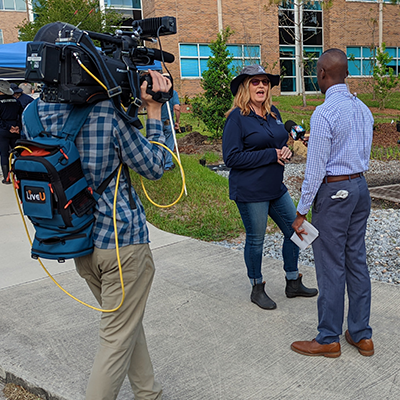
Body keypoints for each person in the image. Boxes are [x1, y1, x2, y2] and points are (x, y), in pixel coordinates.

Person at [22, 22, 171, 400]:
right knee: (115, 338)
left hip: (79, 243)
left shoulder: (32, 116)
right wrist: (154, 111)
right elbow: (156, 165)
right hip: (122, 246)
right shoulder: (105, 113)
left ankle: (148, 393)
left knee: (124, 327)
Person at [290, 49, 374, 358]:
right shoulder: (363, 109)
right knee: (356, 260)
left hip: (335, 193)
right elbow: (353, 150)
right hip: (359, 188)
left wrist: (301, 212)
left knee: (330, 266)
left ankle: (328, 338)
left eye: (316, 71)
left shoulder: (323, 113)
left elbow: (314, 171)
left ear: (323, 74)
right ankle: (361, 334)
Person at [222, 64, 318, 310]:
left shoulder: (273, 113)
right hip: (251, 191)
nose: (261, 86)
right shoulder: (237, 118)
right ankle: (257, 287)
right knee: (256, 240)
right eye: (255, 82)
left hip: (275, 187)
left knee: (300, 232)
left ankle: (292, 280)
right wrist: (270, 154)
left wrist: (286, 151)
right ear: (245, 87)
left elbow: (280, 143)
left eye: (265, 82)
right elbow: (231, 158)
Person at [0, 79, 22, 184]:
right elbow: (21, 115)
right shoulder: (16, 101)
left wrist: (8, 127)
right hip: (16, 130)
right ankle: (21, 175)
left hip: (3, 130)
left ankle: (6, 178)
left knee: (4, 154)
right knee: (17, 152)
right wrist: (17, 127)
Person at [161, 84, 180, 171]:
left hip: (156, 121)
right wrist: (177, 121)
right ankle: (167, 164)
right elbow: (177, 108)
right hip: (167, 121)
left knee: (158, 142)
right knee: (169, 142)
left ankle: (157, 163)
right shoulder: (173, 93)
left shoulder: (154, 92)